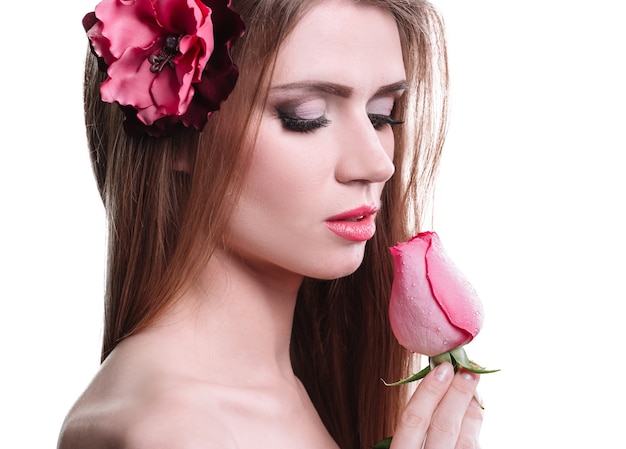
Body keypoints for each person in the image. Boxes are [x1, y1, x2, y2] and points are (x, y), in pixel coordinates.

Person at [58, 0, 483, 448]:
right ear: (178, 136)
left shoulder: (288, 389)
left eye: (382, 114)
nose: (377, 164)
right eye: (305, 116)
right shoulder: (178, 428)